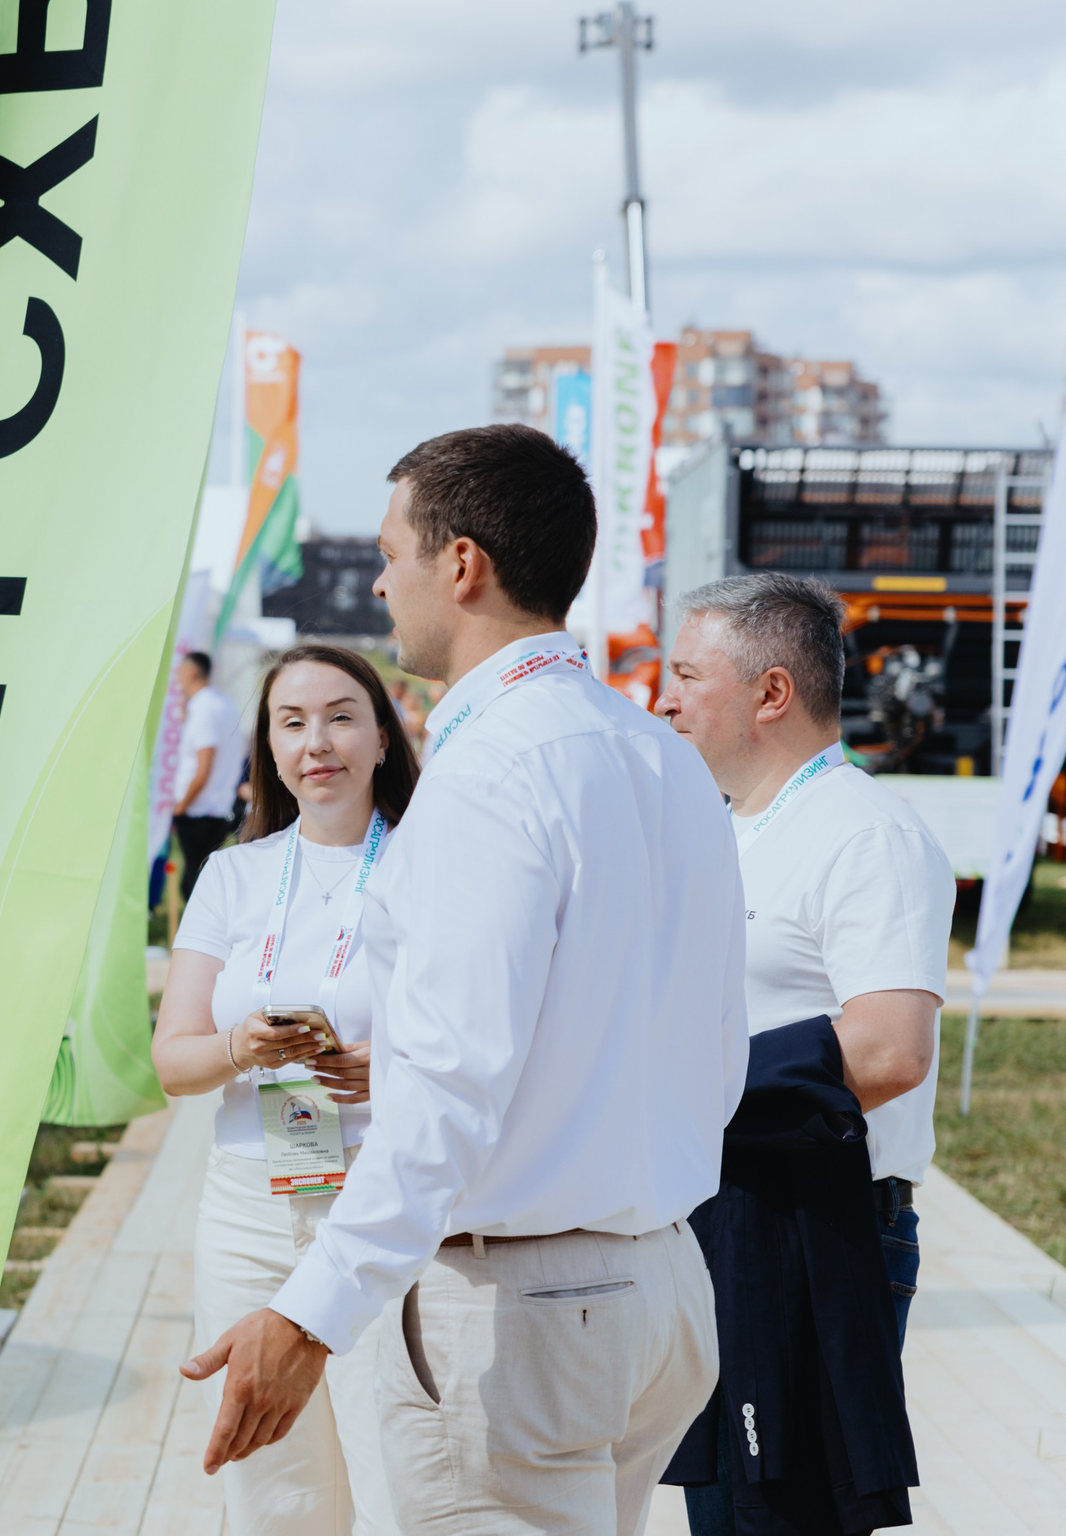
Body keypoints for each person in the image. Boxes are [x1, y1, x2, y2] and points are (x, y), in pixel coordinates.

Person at [185, 424, 745, 1536]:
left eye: (390, 552)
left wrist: (310, 1313)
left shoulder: (491, 769)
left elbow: (447, 1085)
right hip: (664, 1283)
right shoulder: (661, 756)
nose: (378, 582)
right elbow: (709, 1036)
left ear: (462, 565)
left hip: (521, 1306)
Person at [656, 573, 946, 1533]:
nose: (665, 699)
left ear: (771, 692)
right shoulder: (727, 827)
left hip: (814, 1225)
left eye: (686, 675)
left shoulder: (867, 834)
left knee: (783, 1517)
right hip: (719, 1214)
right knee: (723, 1513)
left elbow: (891, 1047)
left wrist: (678, 1090)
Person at [154, 643, 419, 1536]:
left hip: (381, 1201)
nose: (318, 743)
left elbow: (490, 1040)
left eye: (341, 717)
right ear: (268, 746)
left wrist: (391, 1065)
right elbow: (174, 1060)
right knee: (273, 1494)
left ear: (381, 736)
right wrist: (240, 1047)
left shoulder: (428, 865)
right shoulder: (235, 873)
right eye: (292, 722)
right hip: (247, 1209)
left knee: (399, 1485)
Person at [173, 651, 248, 900]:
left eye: (180, 673)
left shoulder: (204, 709)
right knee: (201, 882)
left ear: (192, 672)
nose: (177, 680)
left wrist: (180, 807)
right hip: (217, 806)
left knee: (195, 889)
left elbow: (203, 767)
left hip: (198, 810)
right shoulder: (224, 704)